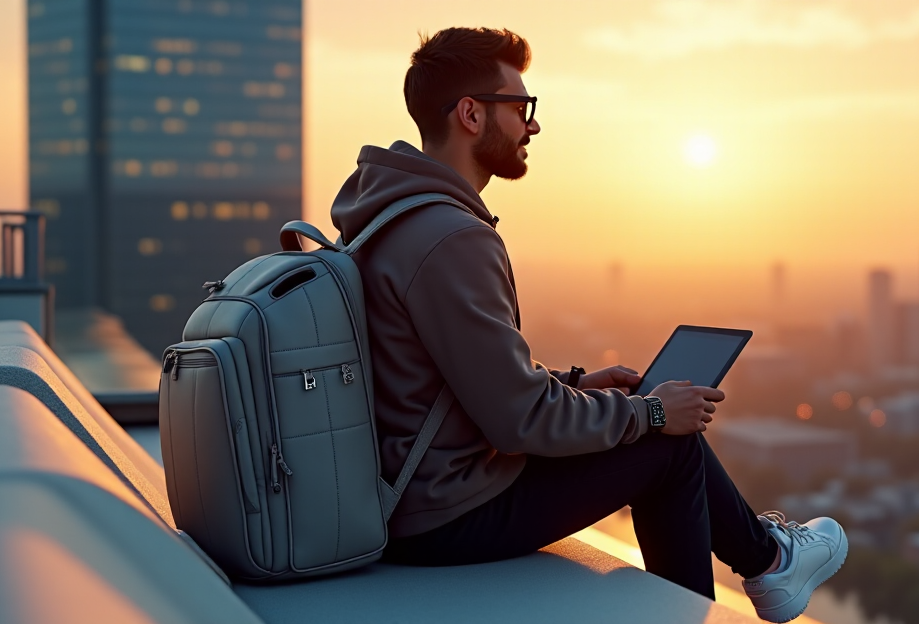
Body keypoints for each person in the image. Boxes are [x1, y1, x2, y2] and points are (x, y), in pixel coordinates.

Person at [329, 26, 847, 623]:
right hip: (443, 515)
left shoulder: (383, 219)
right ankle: (764, 565)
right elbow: (519, 419)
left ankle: (768, 559)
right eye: (521, 107)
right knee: (666, 443)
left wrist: (578, 385)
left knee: (635, 404)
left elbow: (444, 380)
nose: (533, 126)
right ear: (471, 114)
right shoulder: (453, 239)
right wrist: (652, 414)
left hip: (405, 496)